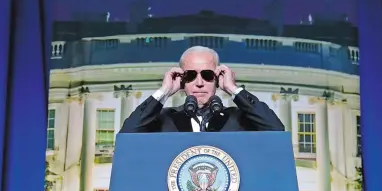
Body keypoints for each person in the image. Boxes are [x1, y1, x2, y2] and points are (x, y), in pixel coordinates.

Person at [119, 46, 285, 133]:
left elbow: (275, 129)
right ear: (182, 80)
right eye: (190, 76)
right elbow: (128, 133)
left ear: (218, 79)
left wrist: (233, 88)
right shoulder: (163, 119)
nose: (199, 83)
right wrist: (164, 91)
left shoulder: (239, 119)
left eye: (207, 75)